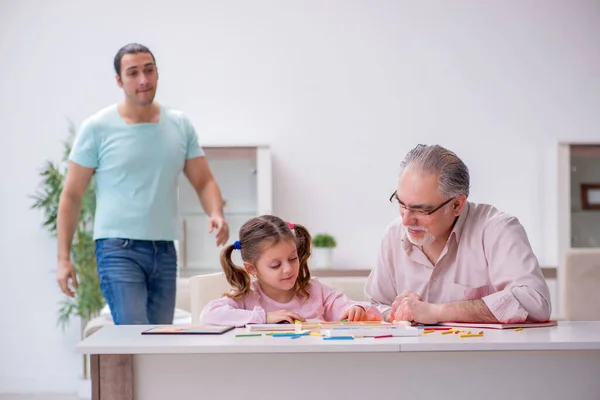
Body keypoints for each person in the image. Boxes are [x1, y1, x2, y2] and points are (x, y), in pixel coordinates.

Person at [56, 43, 229, 325]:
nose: (143, 80)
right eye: (133, 73)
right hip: (117, 249)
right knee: (133, 337)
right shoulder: (97, 127)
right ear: (119, 80)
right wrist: (63, 259)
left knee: (159, 342)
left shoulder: (179, 124)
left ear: (157, 73)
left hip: (164, 250)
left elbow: (204, 180)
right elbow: (72, 195)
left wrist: (216, 212)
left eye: (149, 70)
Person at [365, 144, 551, 324]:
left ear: (457, 205)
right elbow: (375, 306)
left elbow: (535, 302)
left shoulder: (497, 229)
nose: (406, 220)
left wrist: (437, 311)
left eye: (421, 210)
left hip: (483, 354)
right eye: (401, 204)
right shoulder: (393, 234)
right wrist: (397, 313)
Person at [200, 215, 381, 325]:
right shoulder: (247, 297)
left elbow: (366, 310)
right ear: (252, 268)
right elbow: (209, 314)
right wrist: (265, 317)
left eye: (293, 258)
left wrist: (356, 309)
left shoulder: (314, 291)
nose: (288, 269)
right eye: (275, 265)